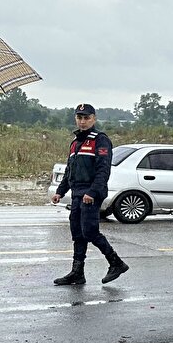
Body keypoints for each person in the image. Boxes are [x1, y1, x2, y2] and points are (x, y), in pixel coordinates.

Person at [51, 104, 129, 285]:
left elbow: (103, 170)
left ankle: (116, 263)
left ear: (94, 119)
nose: (82, 121)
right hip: (77, 194)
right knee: (77, 233)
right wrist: (60, 192)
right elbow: (70, 171)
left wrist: (92, 192)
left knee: (90, 232)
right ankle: (77, 272)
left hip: (91, 194)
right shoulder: (75, 142)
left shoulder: (100, 140)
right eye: (79, 117)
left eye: (86, 118)